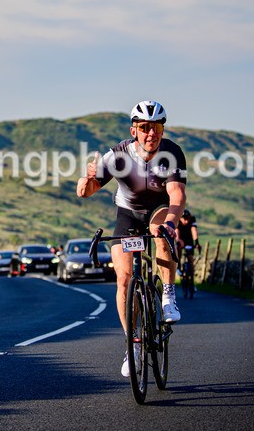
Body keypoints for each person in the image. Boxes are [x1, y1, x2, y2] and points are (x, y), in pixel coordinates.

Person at [76, 99, 187, 377]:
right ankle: (133, 344)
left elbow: (177, 194)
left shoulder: (172, 153)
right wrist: (87, 180)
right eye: (145, 127)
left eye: (157, 128)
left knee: (159, 231)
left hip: (159, 210)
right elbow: (85, 192)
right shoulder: (119, 156)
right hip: (127, 215)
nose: (152, 133)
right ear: (134, 130)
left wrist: (172, 222)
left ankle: (168, 296)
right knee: (124, 278)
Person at [177, 209, 199, 298]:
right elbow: (177, 231)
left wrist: (196, 242)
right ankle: (178, 266)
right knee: (178, 248)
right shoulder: (178, 220)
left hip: (189, 240)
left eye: (187, 219)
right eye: (184, 219)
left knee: (190, 258)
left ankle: (192, 281)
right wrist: (178, 240)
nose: (186, 221)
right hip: (180, 239)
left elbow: (194, 231)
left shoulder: (192, 219)